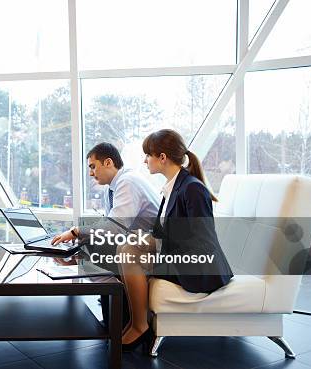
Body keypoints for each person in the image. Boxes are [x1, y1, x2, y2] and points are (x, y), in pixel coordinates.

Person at [118, 129, 233, 350]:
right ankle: (136, 322)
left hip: (199, 267)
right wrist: (147, 239)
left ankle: (140, 326)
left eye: (148, 155)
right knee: (126, 247)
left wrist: (158, 247)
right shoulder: (173, 186)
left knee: (129, 253)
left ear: (162, 157)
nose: (145, 160)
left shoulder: (192, 189)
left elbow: (202, 241)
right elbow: (166, 232)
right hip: (180, 256)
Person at [51, 142, 160, 331]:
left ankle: (120, 313)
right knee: (86, 248)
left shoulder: (127, 182)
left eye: (93, 166)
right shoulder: (114, 187)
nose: (91, 173)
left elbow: (116, 227)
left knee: (89, 251)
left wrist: (77, 231)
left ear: (108, 162)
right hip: (133, 244)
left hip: (148, 250)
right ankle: (115, 312)